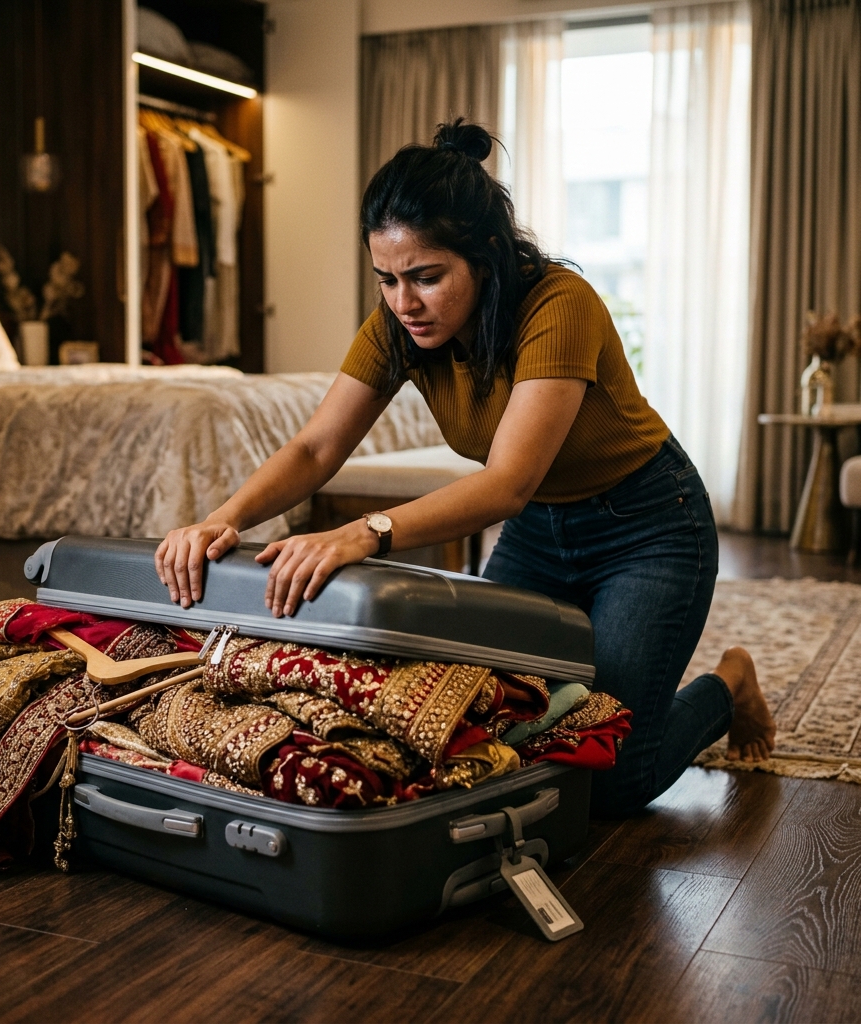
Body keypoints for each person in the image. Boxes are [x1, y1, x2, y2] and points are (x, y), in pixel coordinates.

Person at [155, 119, 776, 817]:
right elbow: (315, 448)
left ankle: (728, 685)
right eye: (386, 279)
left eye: (426, 277)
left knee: (607, 775)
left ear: (485, 255)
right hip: (543, 531)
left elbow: (508, 482)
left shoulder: (558, 304)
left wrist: (364, 532)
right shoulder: (399, 322)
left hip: (648, 527)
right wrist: (221, 519)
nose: (403, 302)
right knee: (481, 730)